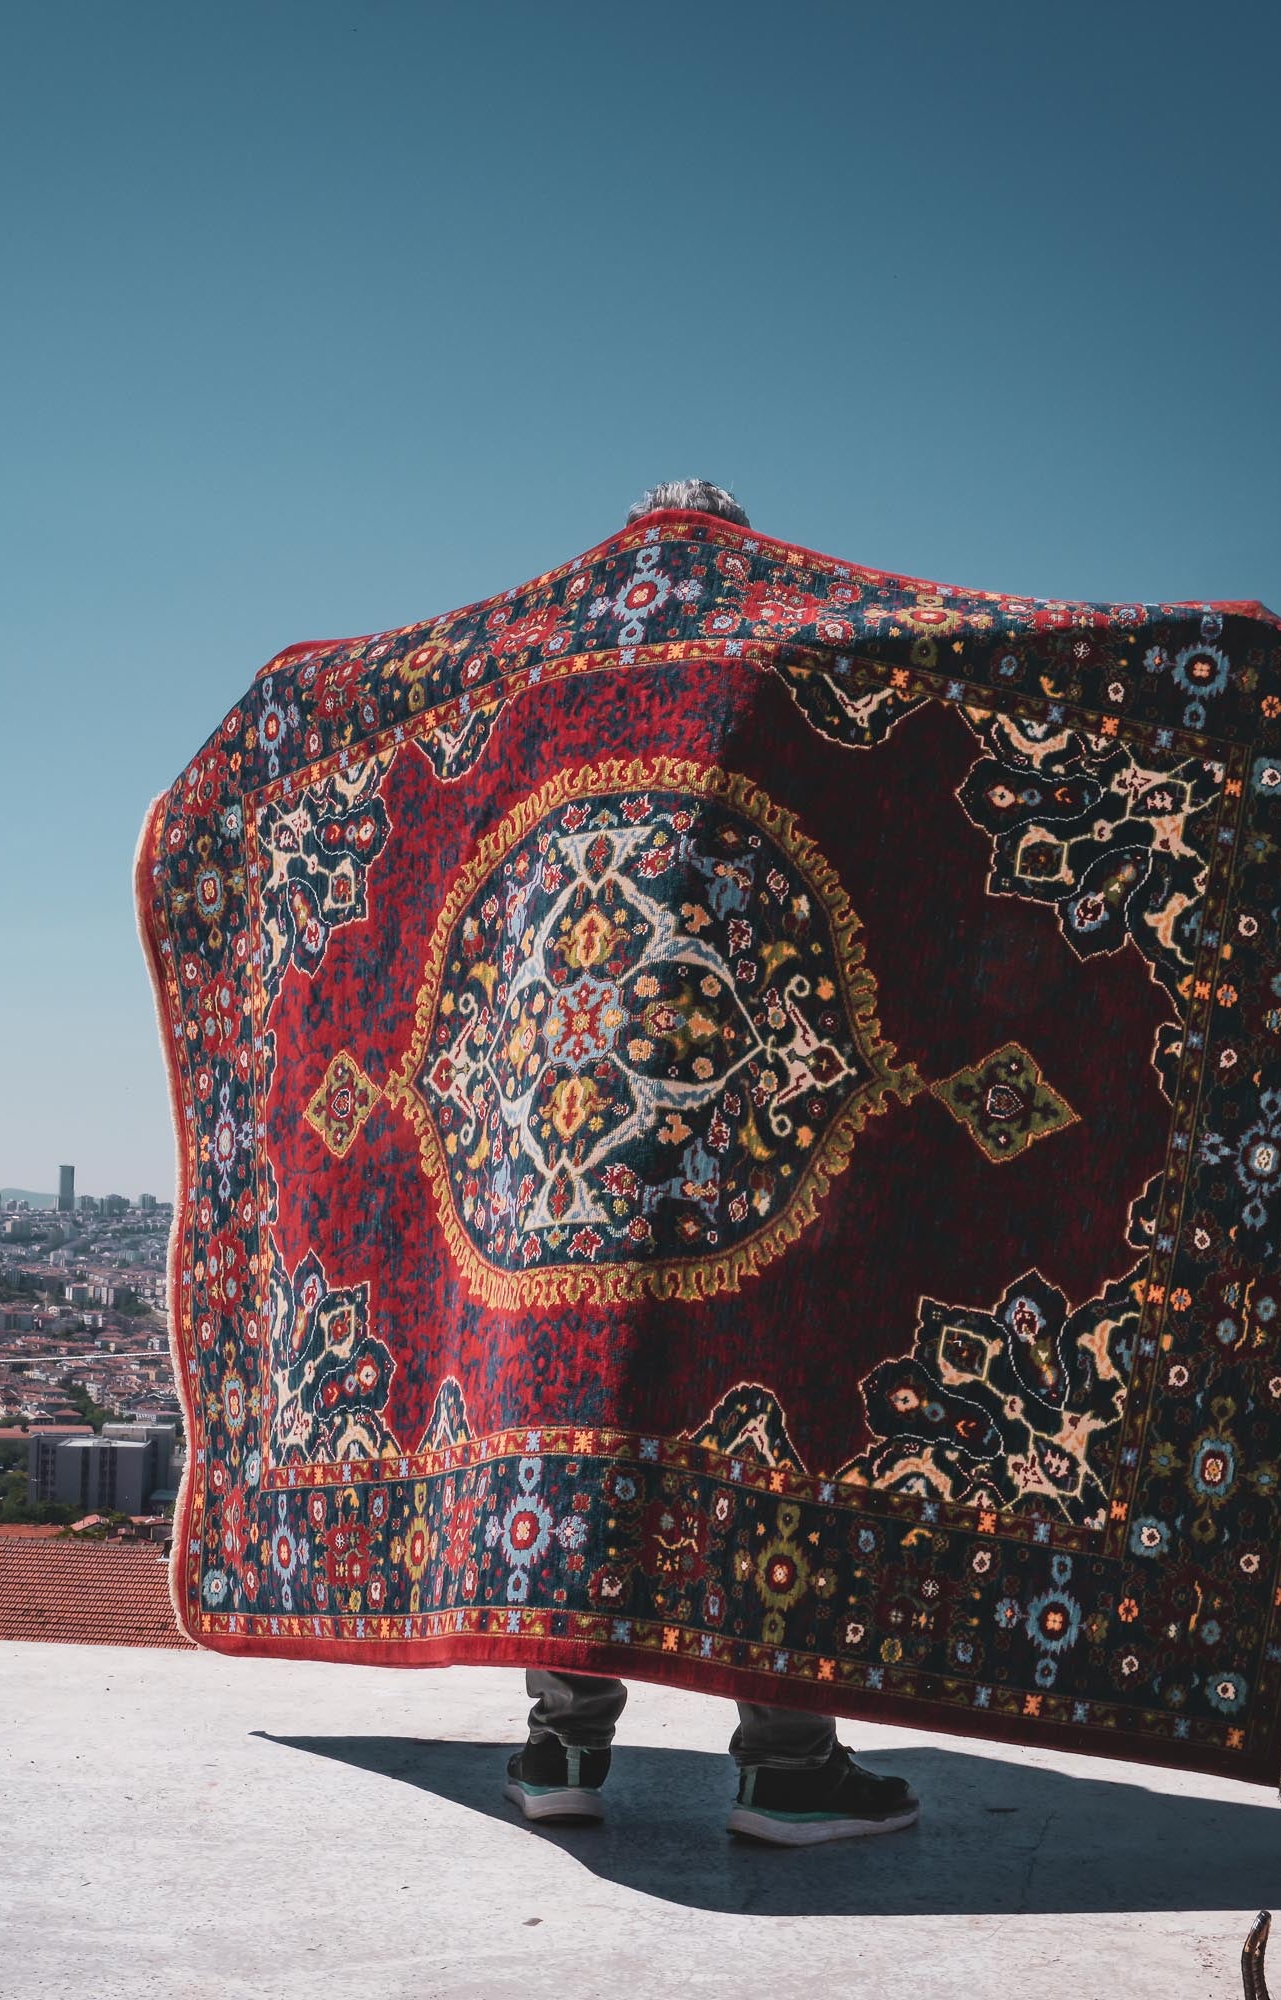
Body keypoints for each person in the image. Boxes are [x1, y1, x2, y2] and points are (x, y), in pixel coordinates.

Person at [501, 479, 921, 1849]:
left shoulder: (538, 684)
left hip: (561, 1152)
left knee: (585, 1432)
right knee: (758, 1423)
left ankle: (560, 1750)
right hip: (740, 1141)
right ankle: (786, 1765)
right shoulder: (789, 658)